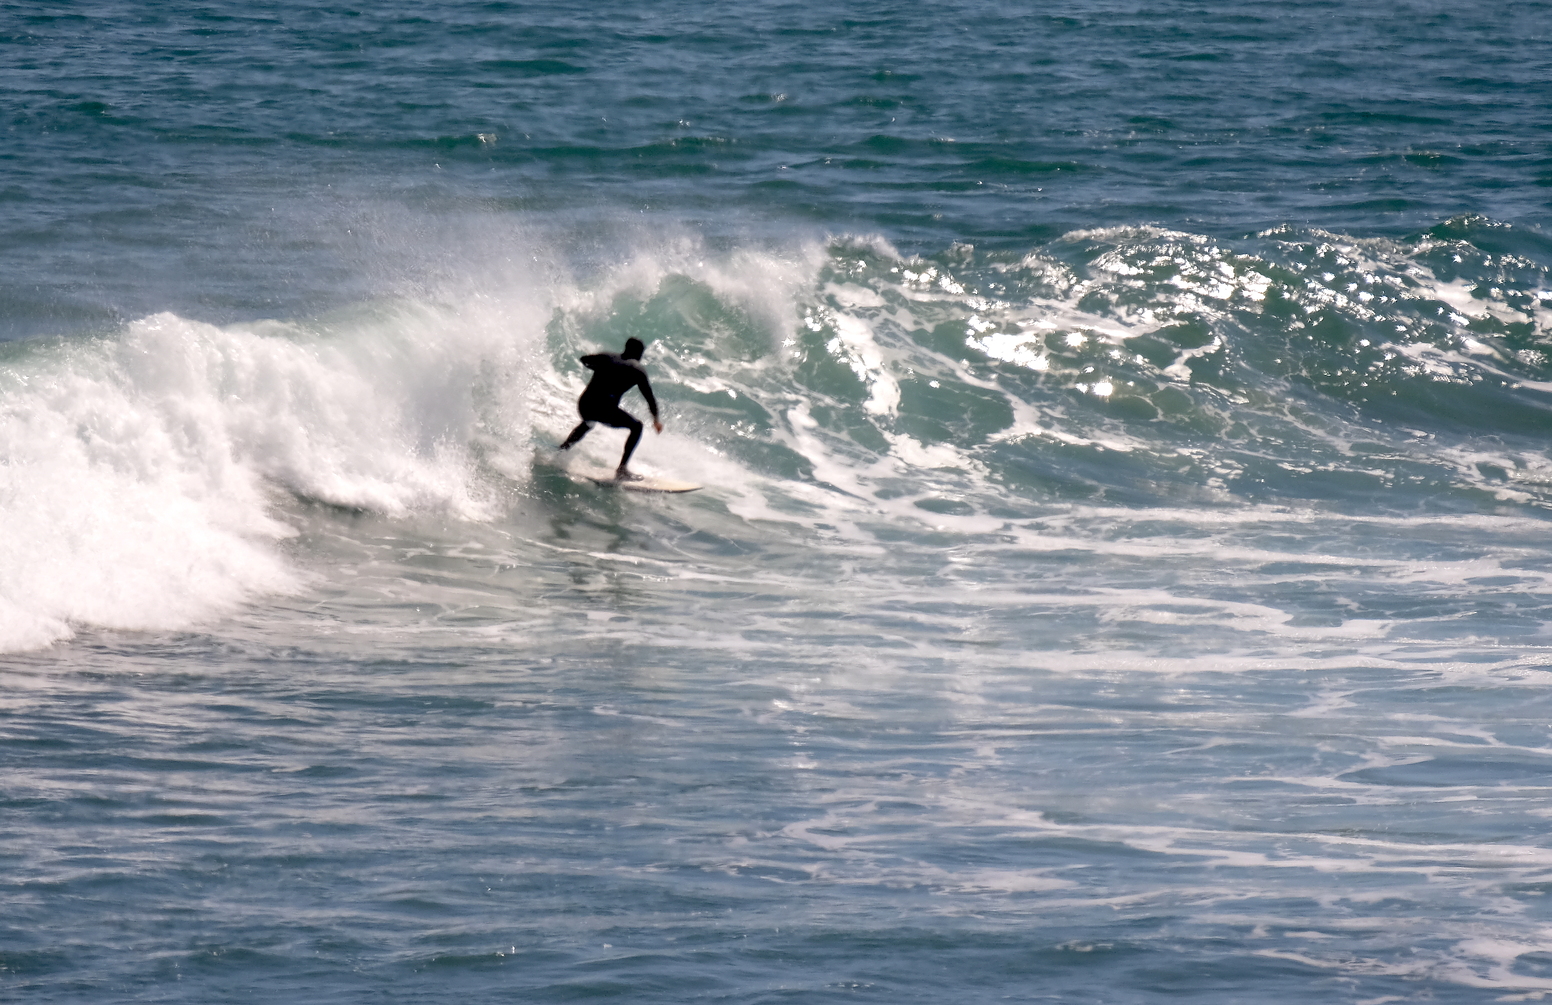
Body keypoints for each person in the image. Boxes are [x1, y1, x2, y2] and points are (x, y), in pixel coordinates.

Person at [557, 337, 663, 480]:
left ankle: (562, 451)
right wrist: (656, 420)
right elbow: (649, 398)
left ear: (625, 348)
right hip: (604, 410)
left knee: (588, 422)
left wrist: (599, 368)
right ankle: (622, 470)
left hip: (585, 405)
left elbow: (584, 359)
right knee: (637, 426)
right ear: (640, 353)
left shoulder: (606, 357)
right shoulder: (637, 370)